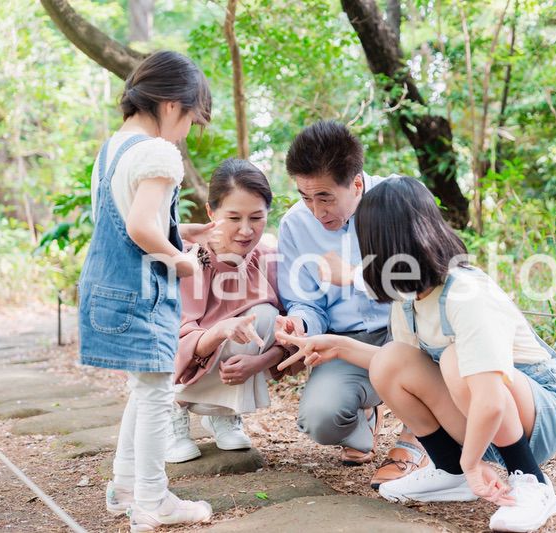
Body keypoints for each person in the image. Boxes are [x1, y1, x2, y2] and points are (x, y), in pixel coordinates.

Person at [276, 177, 556, 532]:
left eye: (366, 244)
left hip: (539, 418)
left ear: (387, 245)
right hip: (483, 416)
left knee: (454, 360)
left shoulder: (466, 292)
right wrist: (337, 346)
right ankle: (450, 471)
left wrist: (473, 462)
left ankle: (530, 480)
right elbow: (405, 369)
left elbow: (492, 399)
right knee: (391, 360)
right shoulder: (409, 298)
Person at [77, 50, 213, 532]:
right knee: (157, 394)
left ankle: (125, 486)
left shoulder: (114, 149)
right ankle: (155, 501)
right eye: (191, 120)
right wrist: (182, 260)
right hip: (141, 294)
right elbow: (139, 226)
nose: (187, 132)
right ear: (172, 105)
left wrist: (184, 231)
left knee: (145, 387)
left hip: (107, 289)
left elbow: (125, 216)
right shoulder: (159, 152)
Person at [275, 121, 429, 487]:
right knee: (320, 419)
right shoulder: (295, 225)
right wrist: (299, 323)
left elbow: (429, 279)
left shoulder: (400, 200)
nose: (316, 211)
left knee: (435, 334)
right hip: (347, 343)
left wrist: (357, 275)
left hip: (409, 331)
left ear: (356, 184)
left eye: (325, 198)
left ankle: (417, 437)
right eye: (305, 197)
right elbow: (305, 301)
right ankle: (366, 416)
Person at [167, 158, 288, 463]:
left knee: (266, 315)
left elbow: (290, 333)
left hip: (225, 364)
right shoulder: (188, 259)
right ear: (211, 213)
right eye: (233, 217)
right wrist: (219, 331)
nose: (246, 230)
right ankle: (171, 412)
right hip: (178, 368)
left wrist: (259, 362)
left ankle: (222, 412)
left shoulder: (270, 261)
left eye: (256, 218)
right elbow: (173, 339)